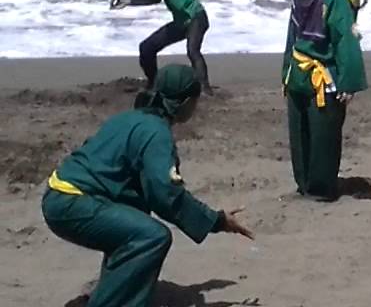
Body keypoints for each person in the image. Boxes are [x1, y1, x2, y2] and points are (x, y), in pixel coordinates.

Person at [42, 64, 254, 307]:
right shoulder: (157, 134)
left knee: (134, 224)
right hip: (72, 201)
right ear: (186, 102)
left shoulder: (129, 119)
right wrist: (217, 221)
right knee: (151, 237)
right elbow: (166, 195)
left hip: (58, 194)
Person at [283, 0, 368, 201]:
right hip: (299, 74)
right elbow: (292, 37)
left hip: (325, 76)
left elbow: (345, 39)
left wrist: (348, 82)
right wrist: (286, 73)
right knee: (299, 134)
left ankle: (322, 188)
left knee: (324, 135)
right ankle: (304, 183)